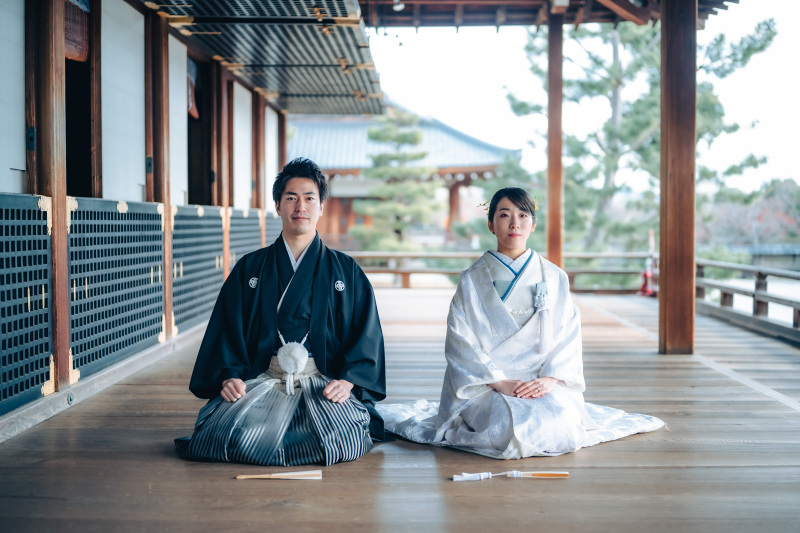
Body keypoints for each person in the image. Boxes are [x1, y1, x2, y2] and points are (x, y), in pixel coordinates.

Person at [377, 188, 663, 459]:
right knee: (506, 427)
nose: (514, 223)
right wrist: (498, 381)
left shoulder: (554, 277)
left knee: (559, 420)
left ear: (533, 224)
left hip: (542, 378)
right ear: (490, 224)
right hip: (486, 383)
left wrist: (551, 378)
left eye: (523, 215)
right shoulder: (472, 279)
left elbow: (568, 333)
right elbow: (459, 339)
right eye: (504, 215)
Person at [175, 158, 386, 466]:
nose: (300, 206)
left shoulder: (346, 271)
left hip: (321, 382)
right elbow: (226, 329)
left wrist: (348, 381)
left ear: (321, 207)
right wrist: (229, 377)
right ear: (277, 205)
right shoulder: (251, 267)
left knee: (343, 439)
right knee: (225, 435)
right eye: (291, 198)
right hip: (262, 378)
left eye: (309, 198)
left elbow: (365, 335)